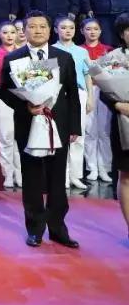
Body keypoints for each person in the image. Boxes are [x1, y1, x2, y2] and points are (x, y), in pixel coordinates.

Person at [0, 11, 81, 248]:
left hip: (58, 125)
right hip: (28, 124)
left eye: (42, 26)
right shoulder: (14, 58)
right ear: (24, 31)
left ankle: (58, 229)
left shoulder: (63, 57)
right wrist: (26, 106)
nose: (37, 30)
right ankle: (35, 229)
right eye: (32, 26)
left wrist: (74, 126)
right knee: (32, 178)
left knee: (57, 178)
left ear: (49, 30)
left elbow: (72, 94)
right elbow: (4, 92)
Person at [52, 16, 92, 191]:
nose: (68, 31)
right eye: (63, 27)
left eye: (71, 28)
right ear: (56, 30)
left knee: (78, 135)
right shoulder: (51, 50)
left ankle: (75, 175)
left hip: (79, 93)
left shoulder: (82, 51)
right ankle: (62, 175)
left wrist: (90, 97)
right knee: (60, 135)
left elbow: (87, 75)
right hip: (58, 95)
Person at [102, 14, 129, 238]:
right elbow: (105, 91)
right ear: (122, 34)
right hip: (124, 122)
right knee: (127, 175)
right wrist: (117, 104)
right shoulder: (112, 58)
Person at [0, 21, 23, 189]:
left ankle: (21, 174)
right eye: (5, 32)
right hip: (2, 95)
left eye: (12, 32)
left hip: (22, 95)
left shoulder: (24, 53)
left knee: (21, 136)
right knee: (6, 135)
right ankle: (7, 174)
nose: (9, 35)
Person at [81, 18, 113, 183]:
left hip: (105, 91)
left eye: (95, 29)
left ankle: (105, 168)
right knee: (90, 131)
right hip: (86, 91)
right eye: (88, 29)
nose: (92, 32)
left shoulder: (109, 50)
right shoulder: (79, 50)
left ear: (100, 31)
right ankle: (92, 167)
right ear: (82, 31)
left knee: (104, 131)